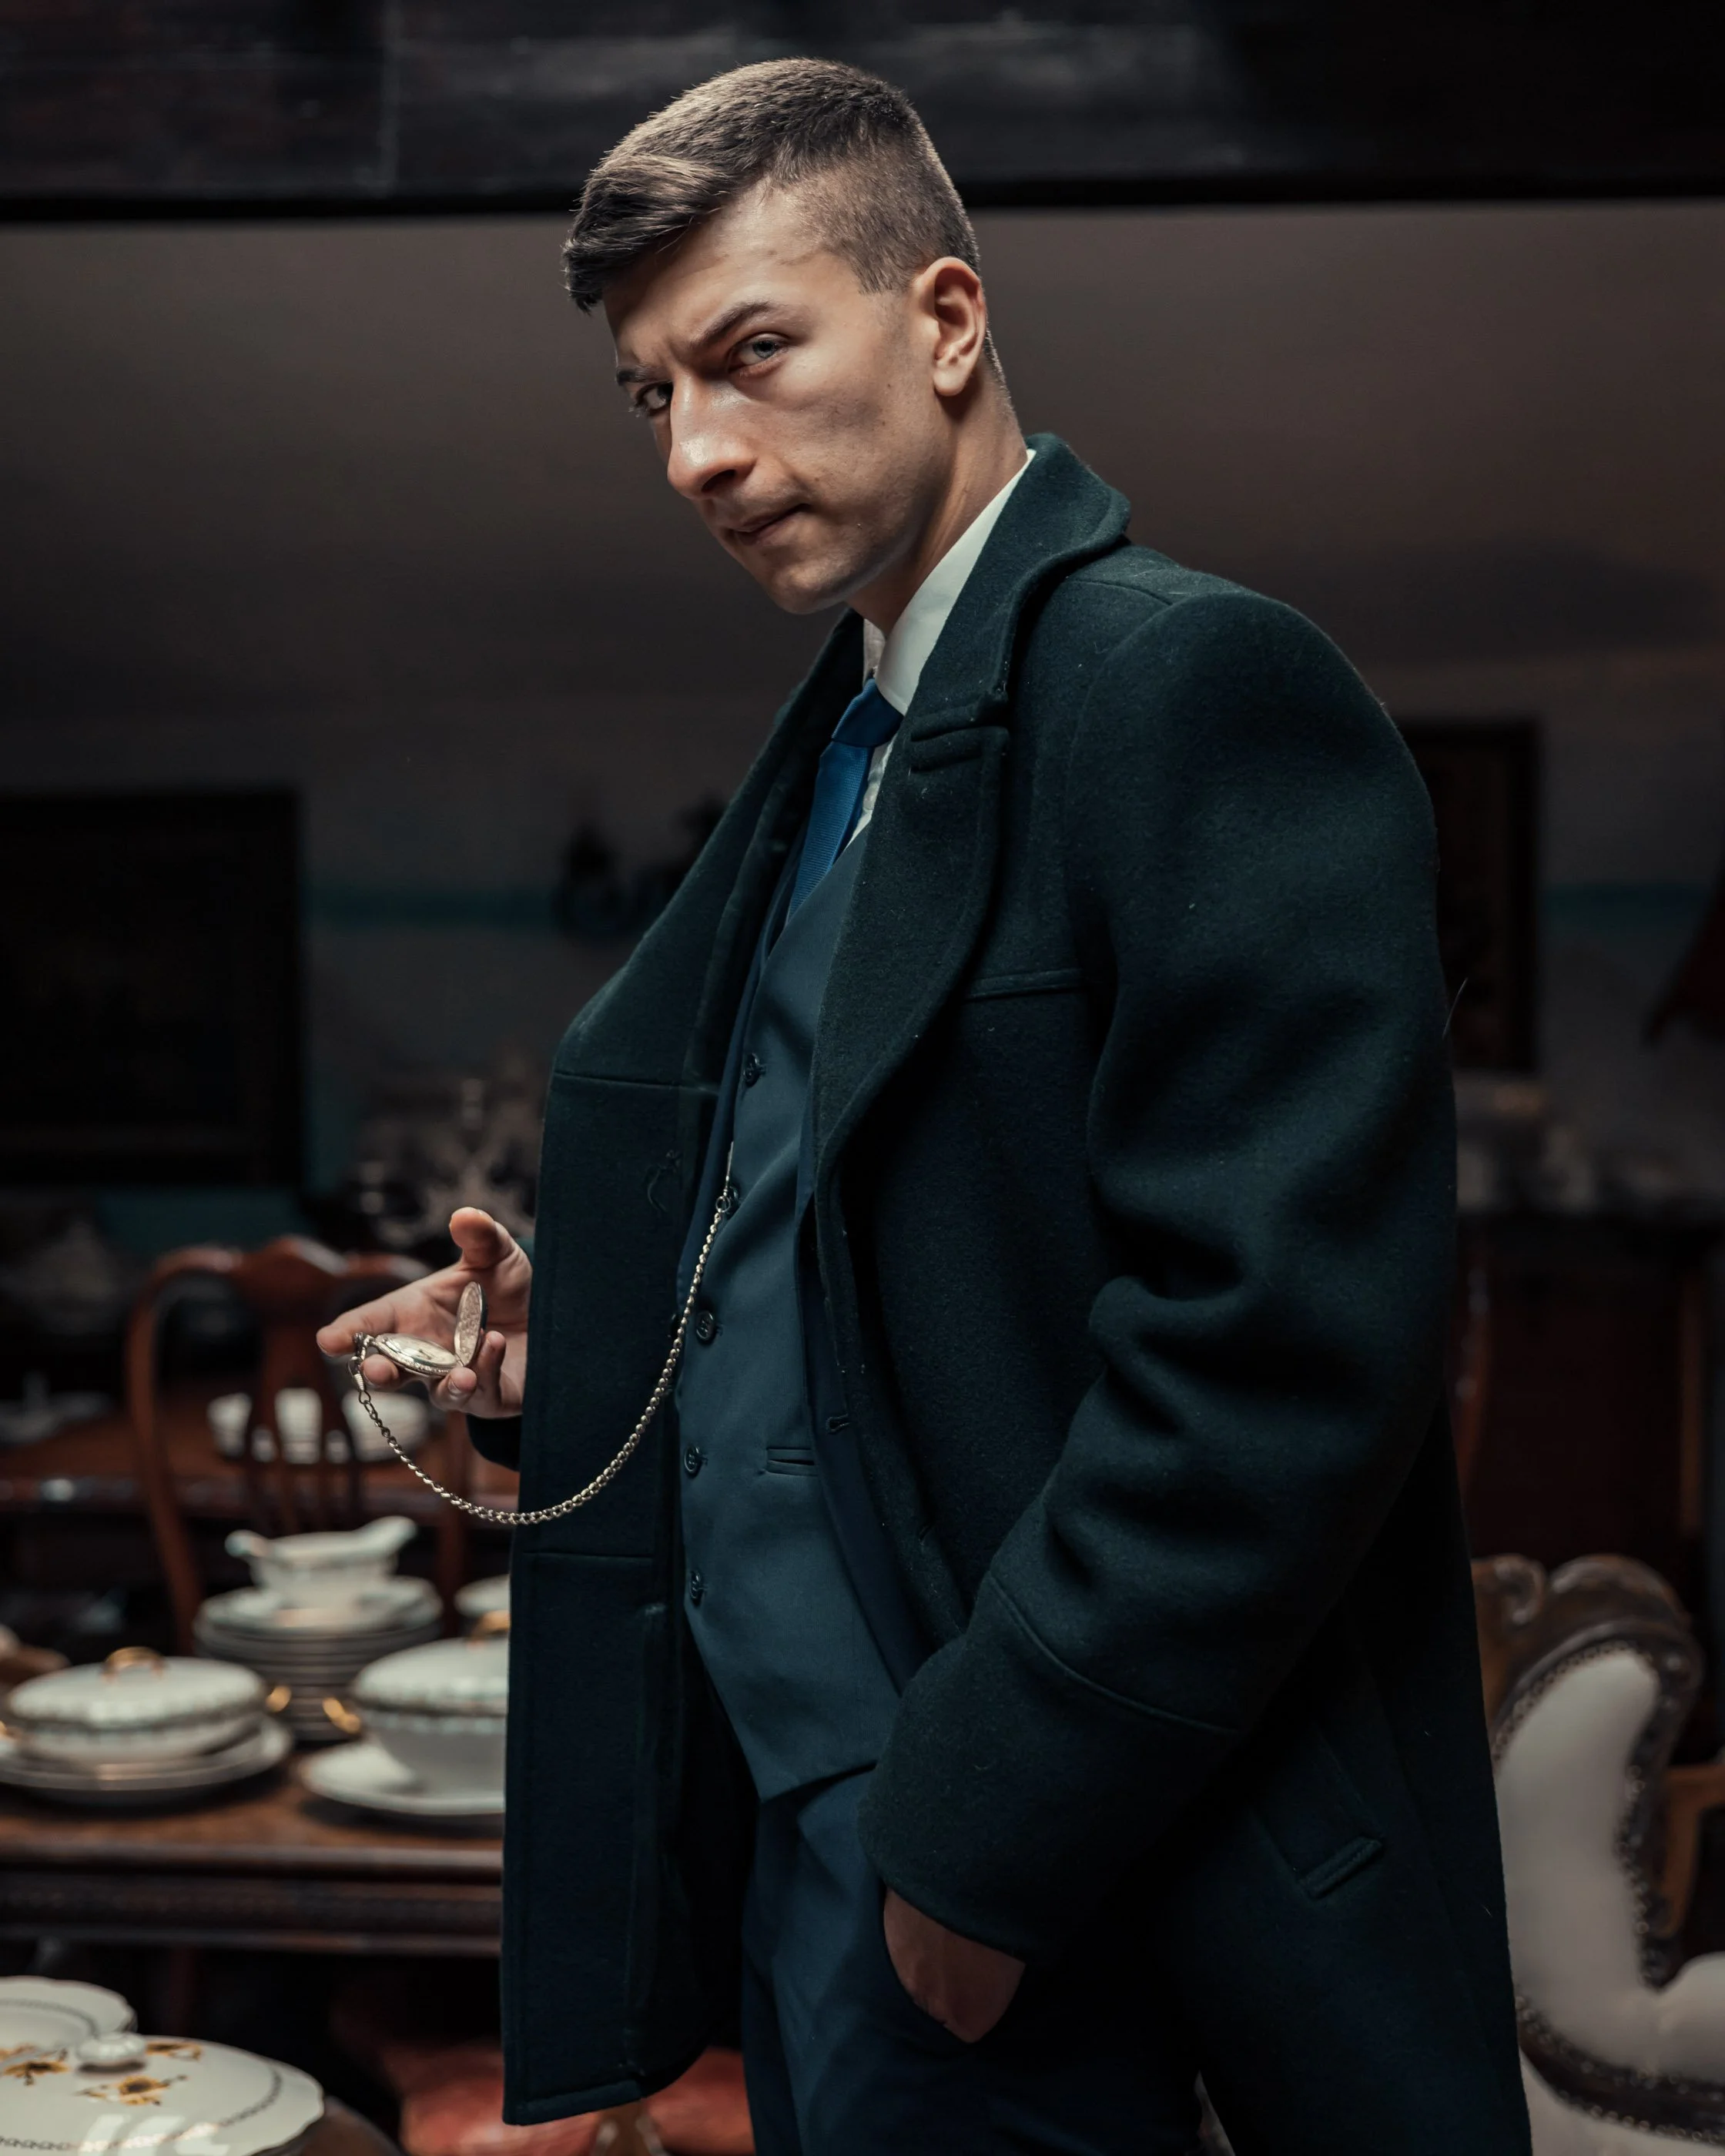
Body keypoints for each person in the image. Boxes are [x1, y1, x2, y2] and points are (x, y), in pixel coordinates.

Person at [321, 57, 1529, 2156]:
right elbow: (870, 1248)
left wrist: (981, 1841)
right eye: (652, 399)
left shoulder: (1190, 686)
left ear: (948, 319)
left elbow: (1281, 1354)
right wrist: (568, 1370)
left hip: (1058, 1869)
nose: (700, 449)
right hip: (813, 1862)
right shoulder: (844, 754)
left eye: (751, 353)